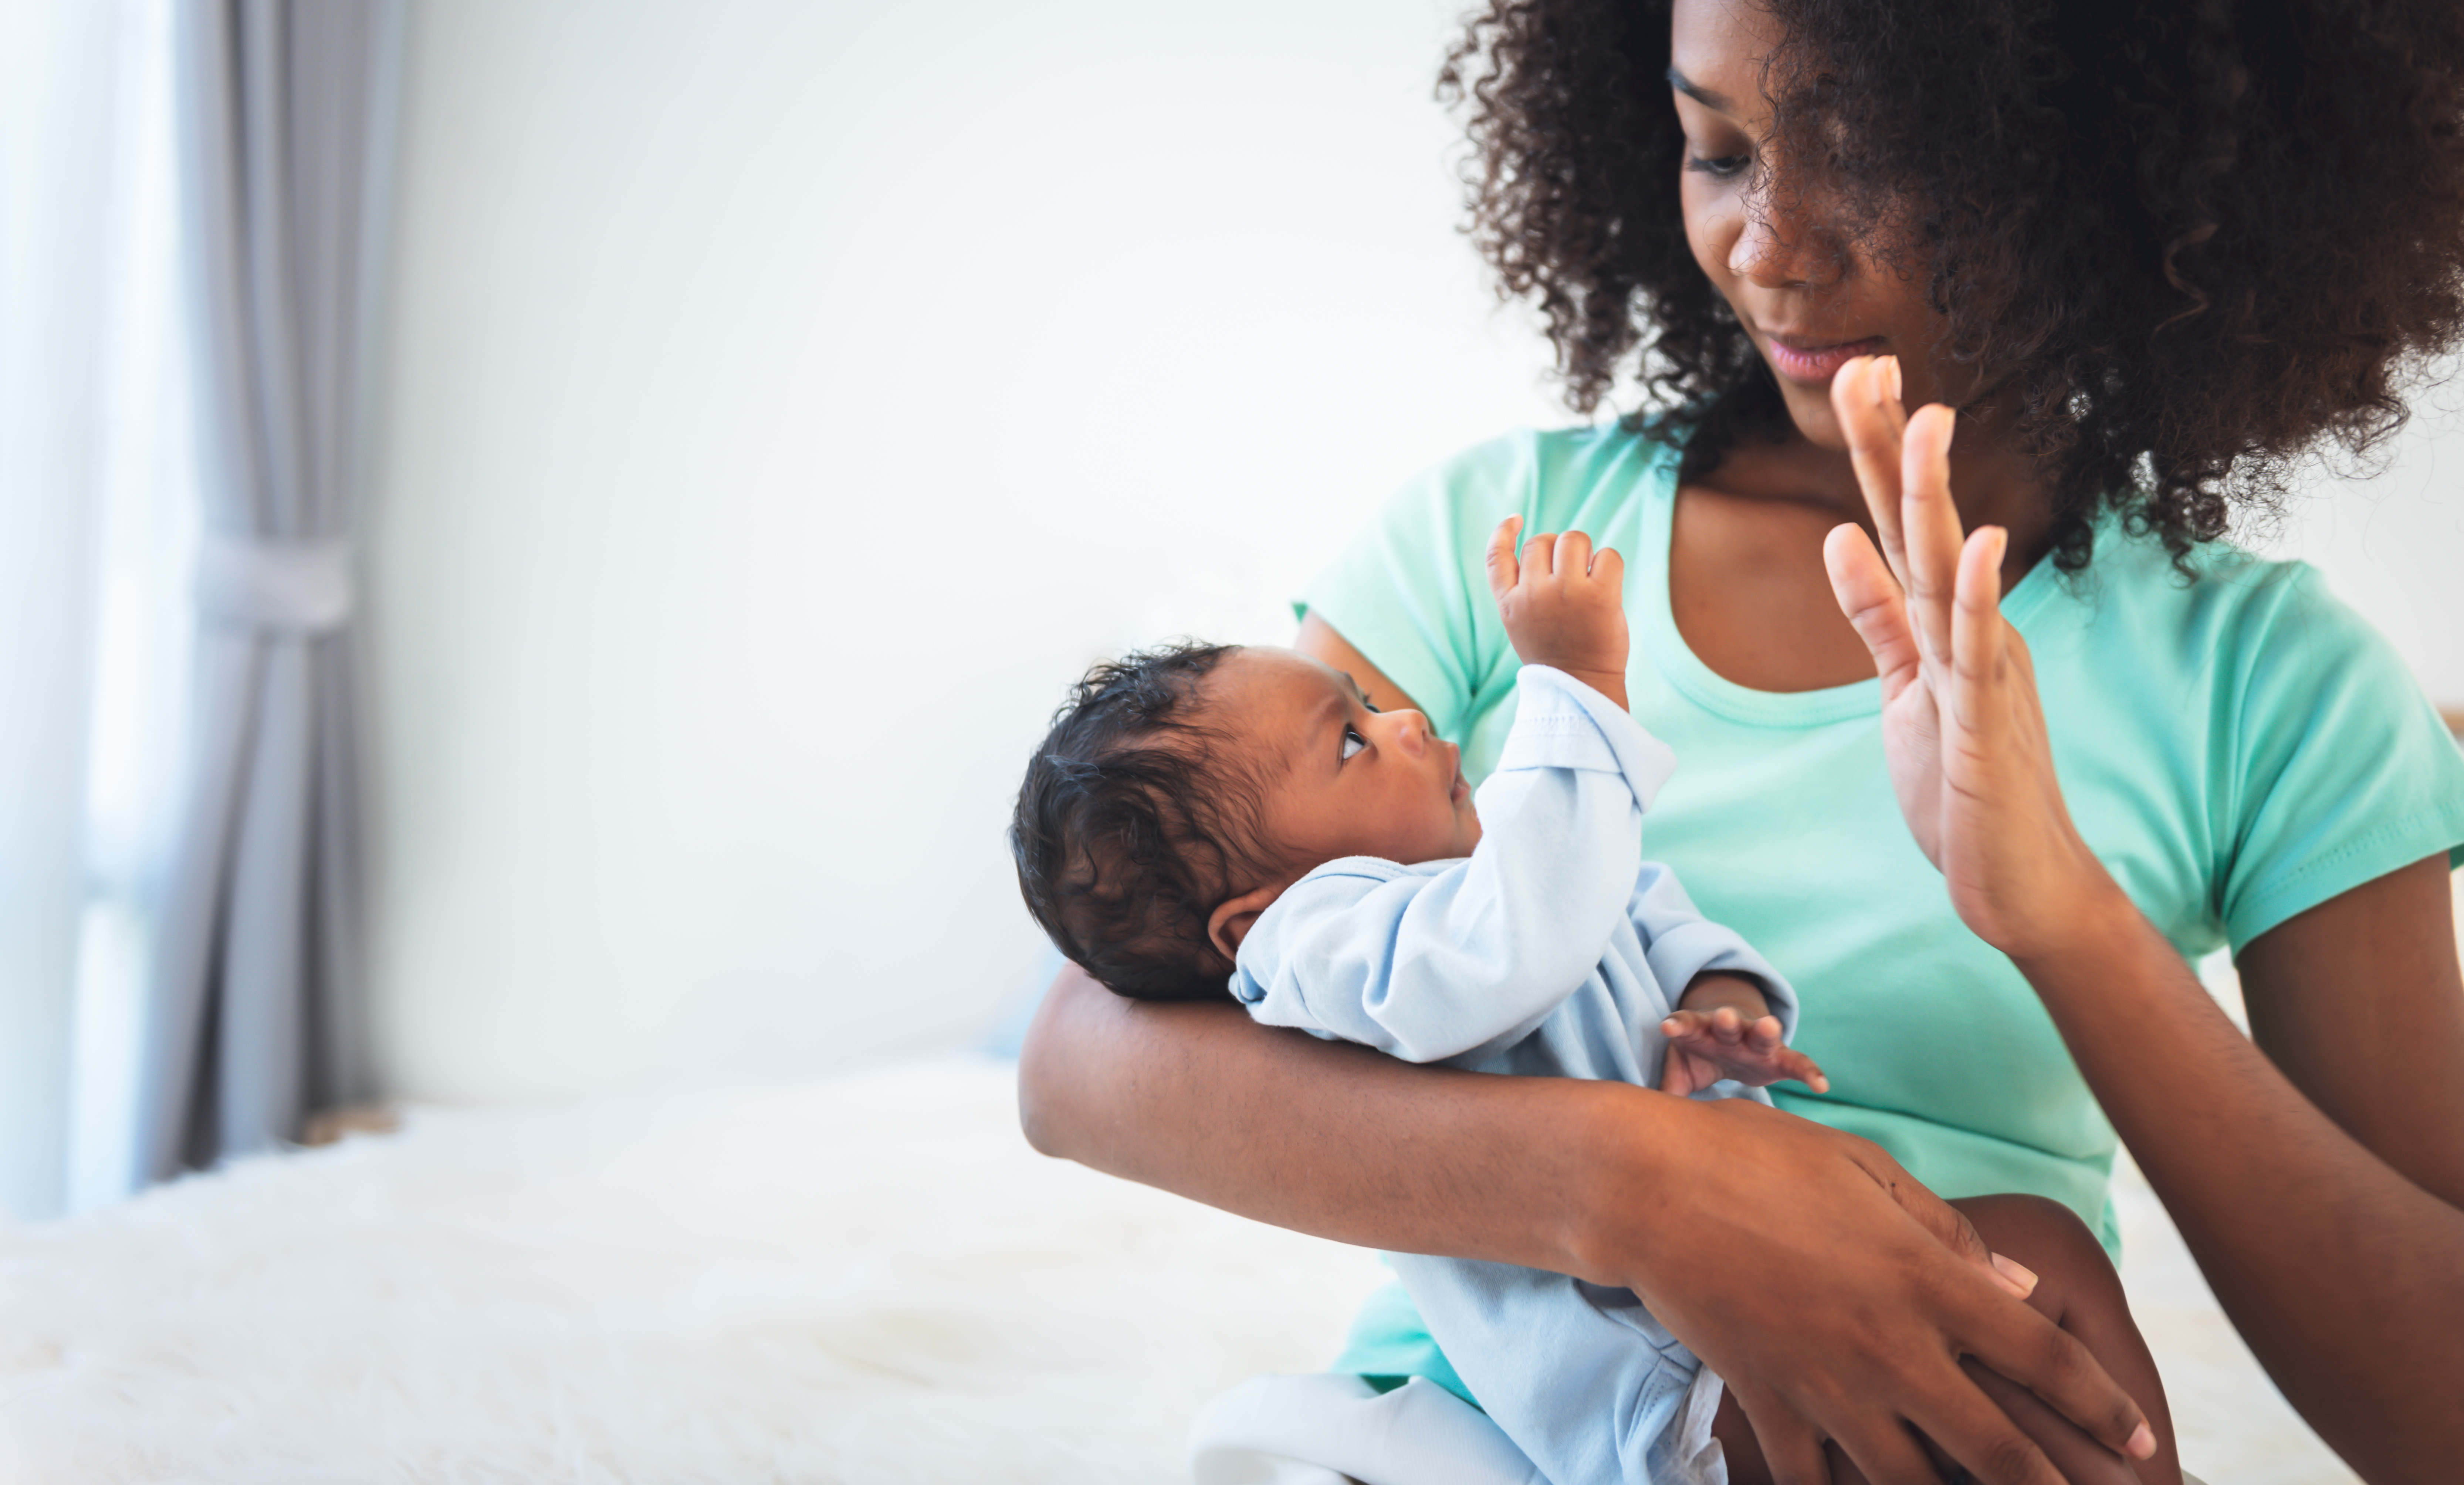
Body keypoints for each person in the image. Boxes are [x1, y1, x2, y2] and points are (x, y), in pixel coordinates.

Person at [1017, 0, 2464, 1479]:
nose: (1767, 245)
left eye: (1869, 156)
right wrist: (1651, 1187)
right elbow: (1080, 1056)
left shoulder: (2269, 687)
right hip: (1497, 1423)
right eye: (1717, 147)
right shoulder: (1521, 550)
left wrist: (2063, 916)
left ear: (2103, 165)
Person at [1011, 513, 2179, 1484]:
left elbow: (1640, 901)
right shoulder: (1321, 947)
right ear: (1247, 921)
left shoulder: (1498, 870)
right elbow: (1512, 951)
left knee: (2045, 1247)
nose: (1410, 721)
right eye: (1356, 743)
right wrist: (1574, 685)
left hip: (1779, 1285)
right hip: (1655, 1384)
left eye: (1371, 703)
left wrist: (1718, 996)